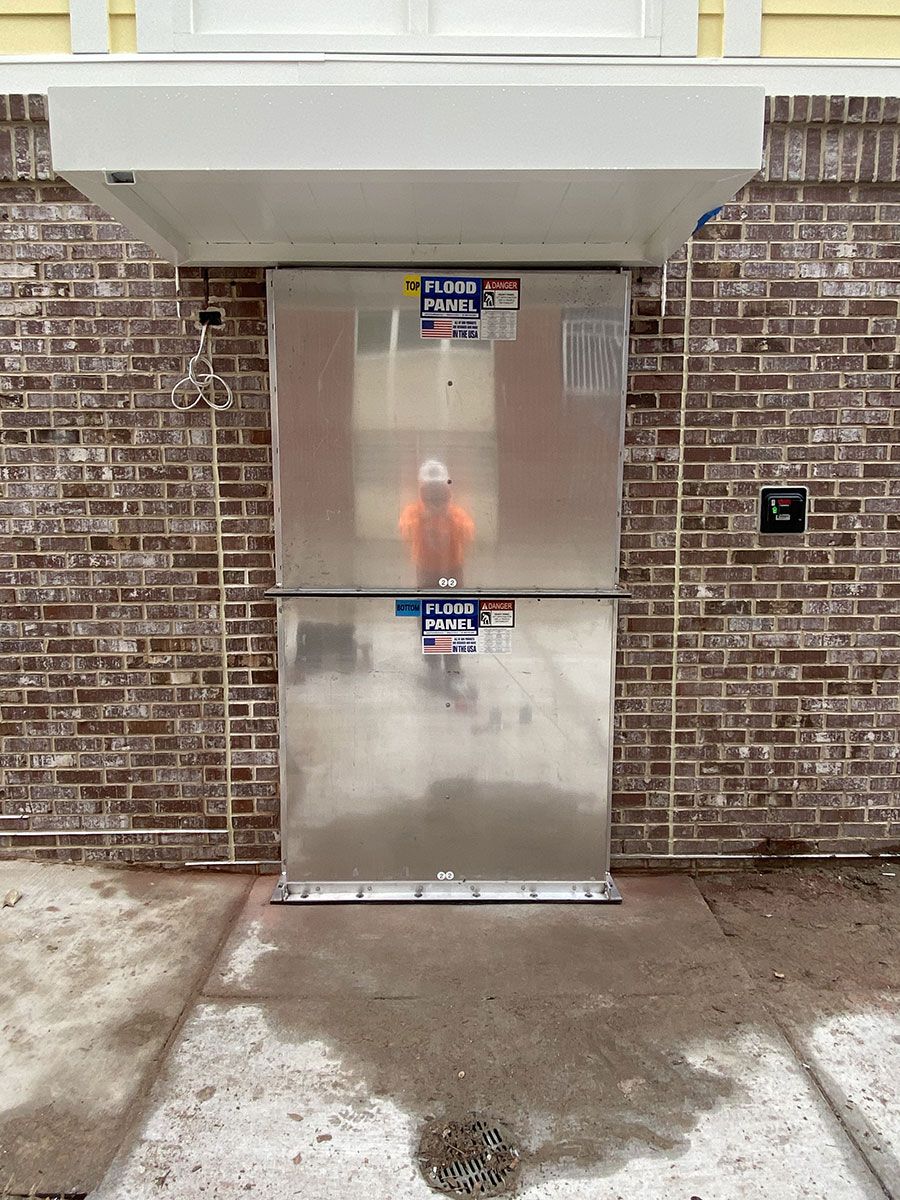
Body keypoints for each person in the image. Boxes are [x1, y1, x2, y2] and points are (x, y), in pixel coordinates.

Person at [399, 460, 475, 587]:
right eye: (430, 490)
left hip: (453, 568)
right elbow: (406, 533)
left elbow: (468, 536)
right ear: (422, 492)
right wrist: (424, 517)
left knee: (453, 604)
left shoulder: (456, 515)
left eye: (438, 490)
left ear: (446, 491)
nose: (434, 495)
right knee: (426, 603)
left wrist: (448, 517)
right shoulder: (413, 513)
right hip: (424, 569)